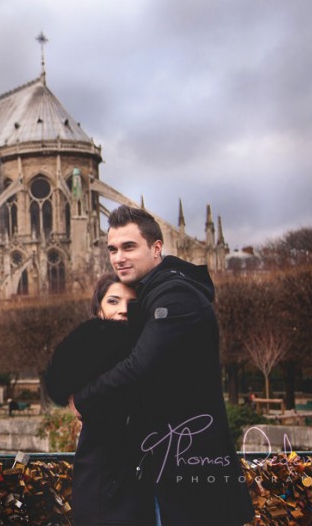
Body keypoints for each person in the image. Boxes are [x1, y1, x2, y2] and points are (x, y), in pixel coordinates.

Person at [70, 206, 254, 526]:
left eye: (129, 247)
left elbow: (140, 366)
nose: (118, 258)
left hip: (189, 476)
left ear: (156, 248)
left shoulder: (174, 295)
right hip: (167, 468)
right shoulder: (153, 293)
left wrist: (84, 398)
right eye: (112, 249)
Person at [44, 273, 155, 525]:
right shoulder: (95, 346)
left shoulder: (144, 350)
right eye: (113, 301)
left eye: (131, 302)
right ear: (99, 309)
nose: (123, 310)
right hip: (104, 478)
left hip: (133, 477)